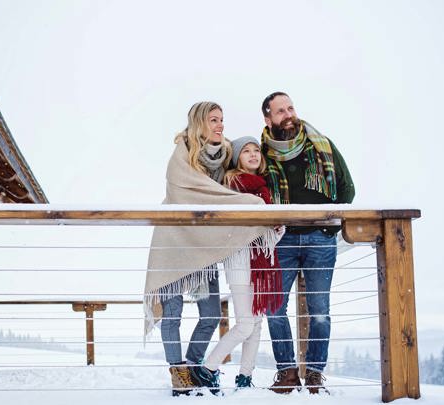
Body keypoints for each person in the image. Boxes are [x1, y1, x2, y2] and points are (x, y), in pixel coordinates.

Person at [144, 102, 275, 396]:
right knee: (173, 313)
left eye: (222, 120)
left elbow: (234, 184)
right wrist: (252, 204)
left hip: (204, 248)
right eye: (213, 120)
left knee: (211, 314)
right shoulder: (180, 158)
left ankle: (194, 369)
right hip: (175, 245)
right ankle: (179, 376)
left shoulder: (225, 156)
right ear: (199, 123)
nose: (220, 125)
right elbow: (206, 198)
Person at [260, 92, 355, 394]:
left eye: (290, 107)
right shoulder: (261, 152)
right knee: (274, 308)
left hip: (319, 239)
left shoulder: (322, 145)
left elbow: (346, 189)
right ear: (268, 118)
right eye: (280, 111)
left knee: (319, 310)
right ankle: (286, 372)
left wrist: (328, 227)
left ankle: (314, 374)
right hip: (281, 239)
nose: (287, 114)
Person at [196, 136, 284, 391]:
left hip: (261, 259)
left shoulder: (263, 187)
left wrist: (278, 228)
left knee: (256, 322)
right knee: (246, 323)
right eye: (246, 151)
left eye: (256, 150)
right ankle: (207, 368)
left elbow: (270, 232)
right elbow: (236, 225)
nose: (254, 154)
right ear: (237, 158)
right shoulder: (232, 184)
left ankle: (245, 377)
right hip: (239, 257)